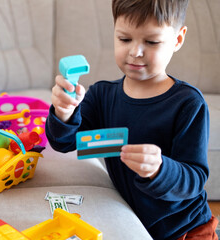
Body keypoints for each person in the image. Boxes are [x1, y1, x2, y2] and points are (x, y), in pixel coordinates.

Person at [45, 0, 219, 239]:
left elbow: (194, 179)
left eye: (151, 42)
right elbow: (63, 142)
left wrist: (160, 169)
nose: (135, 52)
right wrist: (64, 112)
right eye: (124, 39)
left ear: (178, 39)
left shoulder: (188, 103)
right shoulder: (102, 95)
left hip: (185, 228)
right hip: (135, 224)